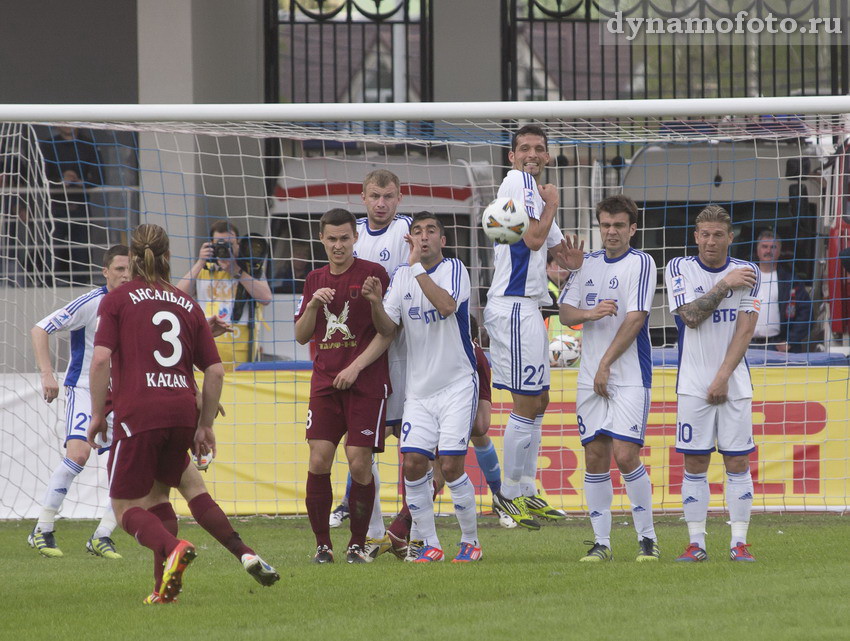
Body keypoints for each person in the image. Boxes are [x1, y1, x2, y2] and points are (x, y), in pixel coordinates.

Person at [87, 224, 279, 603]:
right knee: (167, 495)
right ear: (169, 256)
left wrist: (97, 415)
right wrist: (205, 423)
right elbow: (216, 371)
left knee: (124, 507)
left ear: (134, 259)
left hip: (138, 414)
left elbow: (100, 360)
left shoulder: (118, 299)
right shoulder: (186, 303)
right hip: (181, 411)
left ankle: (173, 548)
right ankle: (169, 588)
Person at [364, 212, 481, 562]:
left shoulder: (454, 269)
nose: (424, 236)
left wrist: (416, 268)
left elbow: (446, 306)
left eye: (431, 231)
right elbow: (388, 327)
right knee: (413, 463)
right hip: (419, 390)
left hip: (458, 384)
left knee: (450, 466)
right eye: (417, 232)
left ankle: (471, 541)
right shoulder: (401, 278)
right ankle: (428, 544)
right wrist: (374, 303)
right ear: (410, 239)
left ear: (442, 241)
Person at [484, 123, 584, 528]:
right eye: (524, 148)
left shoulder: (529, 193)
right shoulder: (520, 183)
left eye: (539, 149)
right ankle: (507, 497)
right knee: (527, 403)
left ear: (548, 155)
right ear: (512, 157)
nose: (532, 155)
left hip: (529, 307)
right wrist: (554, 203)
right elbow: (535, 241)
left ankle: (526, 491)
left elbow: (558, 248)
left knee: (538, 401)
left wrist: (574, 263)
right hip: (513, 307)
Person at [558, 195, 660, 562]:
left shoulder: (641, 263)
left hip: (629, 375)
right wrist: (590, 311)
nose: (611, 231)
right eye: (605, 225)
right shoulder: (586, 264)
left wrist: (605, 363)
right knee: (595, 456)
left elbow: (636, 318)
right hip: (590, 379)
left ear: (632, 228)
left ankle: (647, 539)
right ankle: (602, 543)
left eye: (618, 225)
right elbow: (566, 314)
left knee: (626, 454)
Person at [295, 208, 394, 564]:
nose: (338, 246)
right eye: (332, 239)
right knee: (318, 459)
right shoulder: (314, 279)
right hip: (324, 383)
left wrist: (376, 303)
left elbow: (388, 330)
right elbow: (301, 335)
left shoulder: (373, 274)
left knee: (358, 462)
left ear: (356, 238)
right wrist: (312, 307)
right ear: (322, 239)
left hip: (365, 383)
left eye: (345, 238)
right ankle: (323, 545)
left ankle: (356, 543)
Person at [665, 205, 761, 562]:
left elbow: (746, 328)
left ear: (730, 237)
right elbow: (690, 316)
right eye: (704, 234)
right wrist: (723, 285)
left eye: (718, 234)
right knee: (695, 464)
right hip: (692, 384)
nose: (710, 241)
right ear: (695, 237)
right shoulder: (680, 268)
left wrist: (722, 377)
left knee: (737, 463)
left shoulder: (749, 272)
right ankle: (697, 544)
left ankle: (739, 542)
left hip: (733, 384)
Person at [27, 245, 130, 559]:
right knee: (80, 452)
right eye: (119, 269)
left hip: (122, 394)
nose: (126, 276)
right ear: (105, 271)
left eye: (130, 270)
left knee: (126, 466)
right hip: (84, 388)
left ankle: (101, 536)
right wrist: (47, 374)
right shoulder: (91, 302)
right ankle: (42, 529)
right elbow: (40, 328)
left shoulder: (136, 304)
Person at [329, 170, 411, 560]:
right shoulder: (350, 236)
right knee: (366, 445)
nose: (381, 203)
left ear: (399, 199)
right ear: (363, 197)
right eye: (375, 196)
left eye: (389, 196)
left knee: (414, 443)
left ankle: (413, 526)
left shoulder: (410, 231)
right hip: (369, 351)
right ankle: (376, 530)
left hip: (411, 349)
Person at [176, 220, 272, 369]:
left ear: (238, 244)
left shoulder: (249, 268)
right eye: (219, 244)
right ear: (211, 245)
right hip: (207, 345)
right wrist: (200, 262)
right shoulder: (204, 269)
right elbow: (177, 296)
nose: (225, 248)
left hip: (241, 349)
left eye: (230, 244)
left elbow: (266, 298)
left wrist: (237, 272)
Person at [39, 127, 102, 285]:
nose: (68, 125)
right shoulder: (48, 145)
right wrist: (61, 180)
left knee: (81, 249)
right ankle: (49, 284)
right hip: (55, 207)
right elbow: (40, 175)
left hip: (80, 206)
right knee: (53, 248)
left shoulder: (88, 145)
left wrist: (81, 182)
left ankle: (81, 283)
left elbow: (99, 177)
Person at [750, 230, 813, 353]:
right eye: (764, 247)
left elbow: (807, 314)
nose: (768, 251)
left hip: (777, 347)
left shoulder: (791, 282)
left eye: (773, 247)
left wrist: (791, 340)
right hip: (746, 345)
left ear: (779, 251)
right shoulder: (746, 278)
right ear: (757, 250)